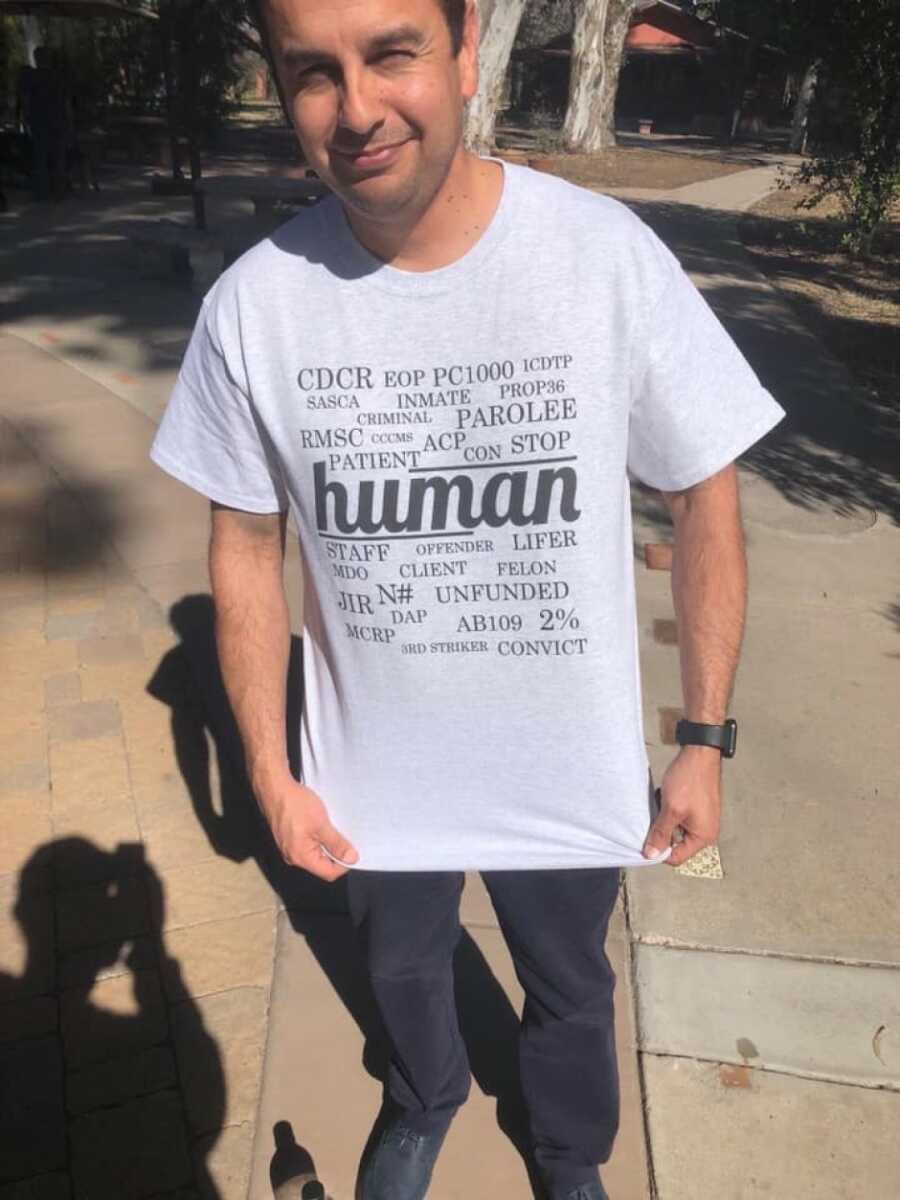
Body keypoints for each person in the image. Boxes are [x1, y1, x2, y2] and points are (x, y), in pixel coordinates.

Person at [150, 1, 785, 1196]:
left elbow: (706, 490)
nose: (358, 110)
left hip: (563, 765)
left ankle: (565, 1153)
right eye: (312, 74)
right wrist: (269, 780)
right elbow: (241, 542)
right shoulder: (255, 305)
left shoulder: (601, 258)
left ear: (465, 43)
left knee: (571, 984)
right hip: (375, 778)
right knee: (400, 973)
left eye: (392, 52)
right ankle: (426, 1094)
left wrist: (703, 741)